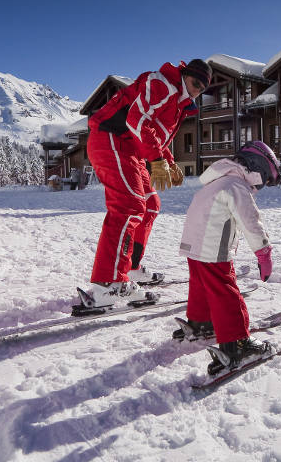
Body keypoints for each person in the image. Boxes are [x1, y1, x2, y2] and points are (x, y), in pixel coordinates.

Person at [81, 59, 212, 309]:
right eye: (195, 83)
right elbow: (136, 120)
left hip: (133, 149)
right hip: (112, 139)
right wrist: (157, 160)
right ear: (185, 75)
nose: (196, 91)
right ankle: (107, 285)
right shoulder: (162, 84)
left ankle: (130, 268)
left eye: (202, 89)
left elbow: (154, 132)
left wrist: (169, 161)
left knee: (151, 204)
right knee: (129, 206)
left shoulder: (180, 102)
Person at [175, 141, 281, 375]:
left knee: (202, 285)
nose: (261, 185)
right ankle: (237, 344)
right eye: (265, 178)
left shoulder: (217, 181)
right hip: (212, 247)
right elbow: (250, 223)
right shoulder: (236, 185)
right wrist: (263, 252)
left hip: (194, 245)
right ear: (256, 168)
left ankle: (201, 322)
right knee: (225, 291)